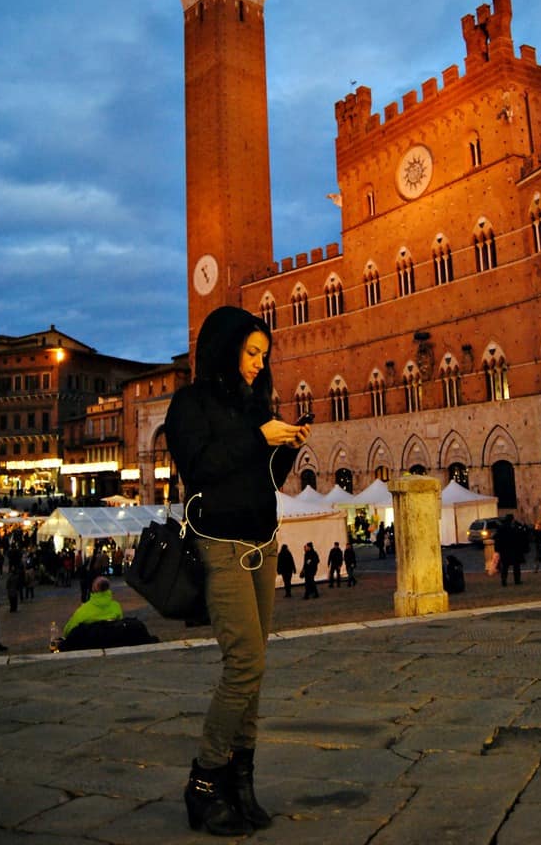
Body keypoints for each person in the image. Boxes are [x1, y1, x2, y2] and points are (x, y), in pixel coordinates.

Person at [165, 306, 310, 836]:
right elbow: (200, 467)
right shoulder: (189, 404)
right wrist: (258, 437)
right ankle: (204, 780)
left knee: (255, 666)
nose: (258, 364)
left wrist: (286, 448)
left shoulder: (255, 407)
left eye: (263, 356)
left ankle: (240, 780)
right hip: (220, 546)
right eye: (251, 353)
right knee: (244, 661)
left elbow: (262, 478)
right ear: (226, 348)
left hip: (263, 545)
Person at [493, 514, 525, 587]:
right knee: (516, 566)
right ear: (512, 520)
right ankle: (517, 580)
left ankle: (504, 581)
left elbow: (496, 537)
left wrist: (498, 549)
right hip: (514, 549)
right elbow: (520, 535)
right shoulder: (514, 527)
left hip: (505, 550)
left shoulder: (501, 528)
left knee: (505, 566)